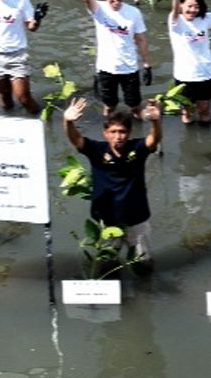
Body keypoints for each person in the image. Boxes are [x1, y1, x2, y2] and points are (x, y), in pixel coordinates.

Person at [63, 97, 162, 263]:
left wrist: (156, 121)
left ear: (129, 133)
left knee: (143, 264)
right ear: (105, 133)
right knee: (107, 264)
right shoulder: (97, 151)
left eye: (122, 131)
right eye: (113, 132)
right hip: (107, 219)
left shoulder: (137, 149)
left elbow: (154, 140)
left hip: (137, 218)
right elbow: (76, 139)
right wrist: (68, 121)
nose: (118, 136)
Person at [80, 0, 151, 115]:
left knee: (135, 106)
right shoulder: (99, 10)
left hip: (129, 68)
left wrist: (147, 65)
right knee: (109, 106)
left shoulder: (134, 13)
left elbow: (141, 39)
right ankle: (108, 128)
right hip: (106, 69)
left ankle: (137, 127)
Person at [167, 0, 211, 124]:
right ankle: (188, 133)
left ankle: (206, 133)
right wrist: (175, 0)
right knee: (187, 112)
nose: (193, 10)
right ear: (181, 5)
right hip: (185, 75)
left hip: (205, 73)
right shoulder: (177, 21)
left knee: (205, 109)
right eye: (189, 6)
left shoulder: (204, 18)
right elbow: (174, 14)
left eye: (196, 6)